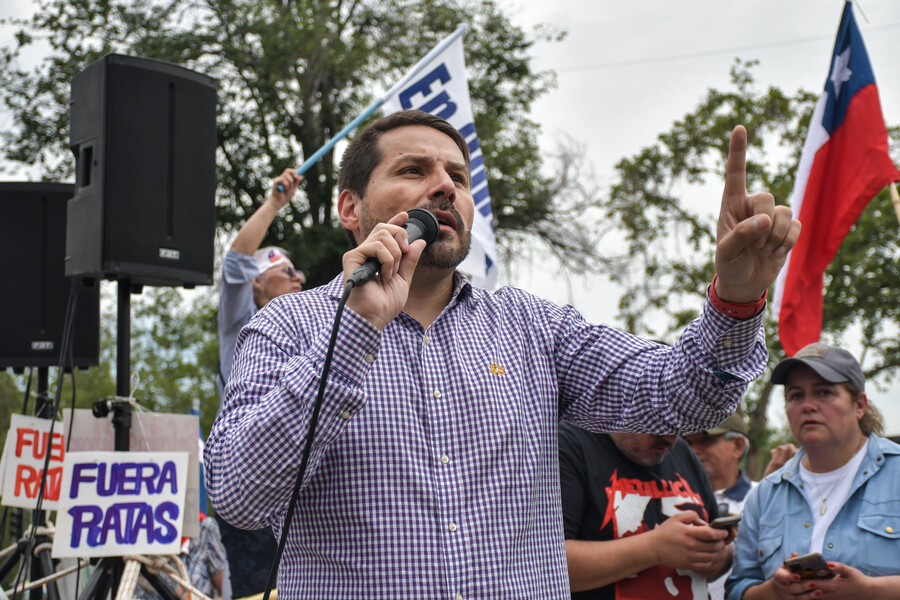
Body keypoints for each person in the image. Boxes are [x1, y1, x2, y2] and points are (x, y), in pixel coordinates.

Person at [204, 109, 800, 598]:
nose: (445, 186)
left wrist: (738, 300)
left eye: (458, 178)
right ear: (351, 208)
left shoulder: (532, 326)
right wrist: (356, 330)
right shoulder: (288, 326)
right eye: (414, 170)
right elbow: (238, 496)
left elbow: (680, 396)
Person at [726, 343, 900, 600]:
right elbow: (738, 589)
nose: (807, 405)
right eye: (796, 396)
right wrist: (774, 591)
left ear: (859, 405)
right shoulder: (765, 494)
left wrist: (870, 591)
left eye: (824, 392)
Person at [215, 167, 304, 599]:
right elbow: (234, 261)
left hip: (300, 492)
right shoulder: (241, 325)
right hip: (252, 491)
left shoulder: (312, 331)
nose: (298, 277)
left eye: (297, 271)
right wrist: (275, 203)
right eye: (285, 270)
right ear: (257, 283)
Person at [559, 422, 732, 599]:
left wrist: (716, 557)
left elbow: (718, 558)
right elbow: (546, 563)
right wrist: (653, 549)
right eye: (660, 423)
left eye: (679, 426)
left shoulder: (681, 452)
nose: (670, 437)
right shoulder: (569, 444)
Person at [685, 411, 756, 600]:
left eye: (705, 441)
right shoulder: (675, 500)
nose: (694, 451)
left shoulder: (762, 498)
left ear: (738, 446)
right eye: (688, 443)